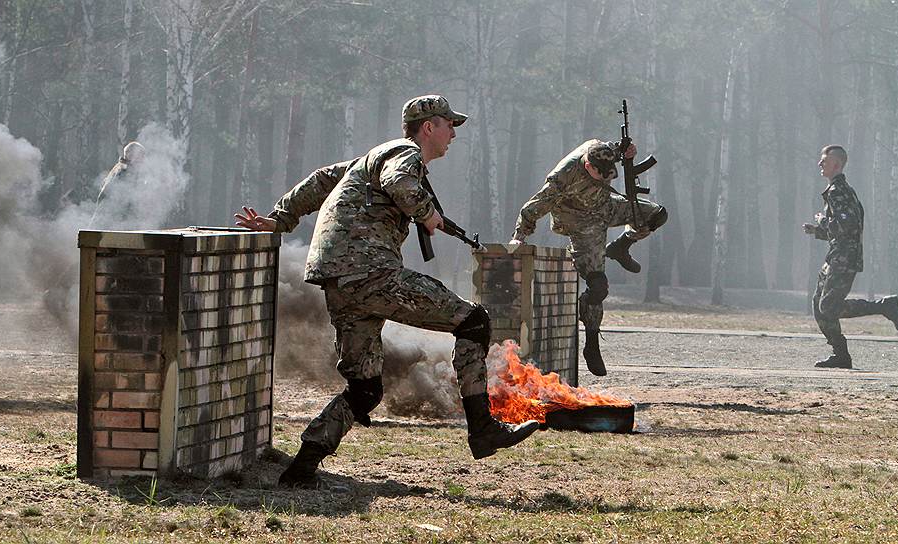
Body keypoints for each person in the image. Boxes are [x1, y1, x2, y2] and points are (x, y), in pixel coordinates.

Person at [235, 95, 539, 488]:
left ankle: (301, 468)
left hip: (338, 279)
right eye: (449, 125)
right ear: (427, 127)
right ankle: (482, 428)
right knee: (474, 320)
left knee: (365, 388)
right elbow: (399, 184)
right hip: (368, 270)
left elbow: (322, 180)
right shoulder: (404, 152)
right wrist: (427, 213)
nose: (453, 134)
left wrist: (279, 219)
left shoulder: (372, 158)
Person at [508, 139, 668, 377]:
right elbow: (531, 209)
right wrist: (519, 238)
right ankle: (591, 342)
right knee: (598, 287)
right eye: (599, 177)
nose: (605, 179)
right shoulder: (562, 178)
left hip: (606, 206)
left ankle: (621, 246)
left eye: (609, 176)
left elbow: (619, 147)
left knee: (656, 215)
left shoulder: (603, 152)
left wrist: (628, 151)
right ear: (587, 167)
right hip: (581, 223)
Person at [803, 145, 898, 369]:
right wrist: (817, 231)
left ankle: (884, 307)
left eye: (824, 161)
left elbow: (847, 225)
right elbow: (842, 227)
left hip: (844, 257)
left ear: (836, 165)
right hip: (836, 255)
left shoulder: (839, 191)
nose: (820, 164)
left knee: (828, 307)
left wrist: (822, 222)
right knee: (819, 305)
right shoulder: (838, 190)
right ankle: (841, 355)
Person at [90, 141, 145, 225]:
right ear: (130, 155)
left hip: (112, 221)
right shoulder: (124, 172)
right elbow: (122, 200)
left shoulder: (124, 169)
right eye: (140, 155)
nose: (142, 160)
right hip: (111, 222)